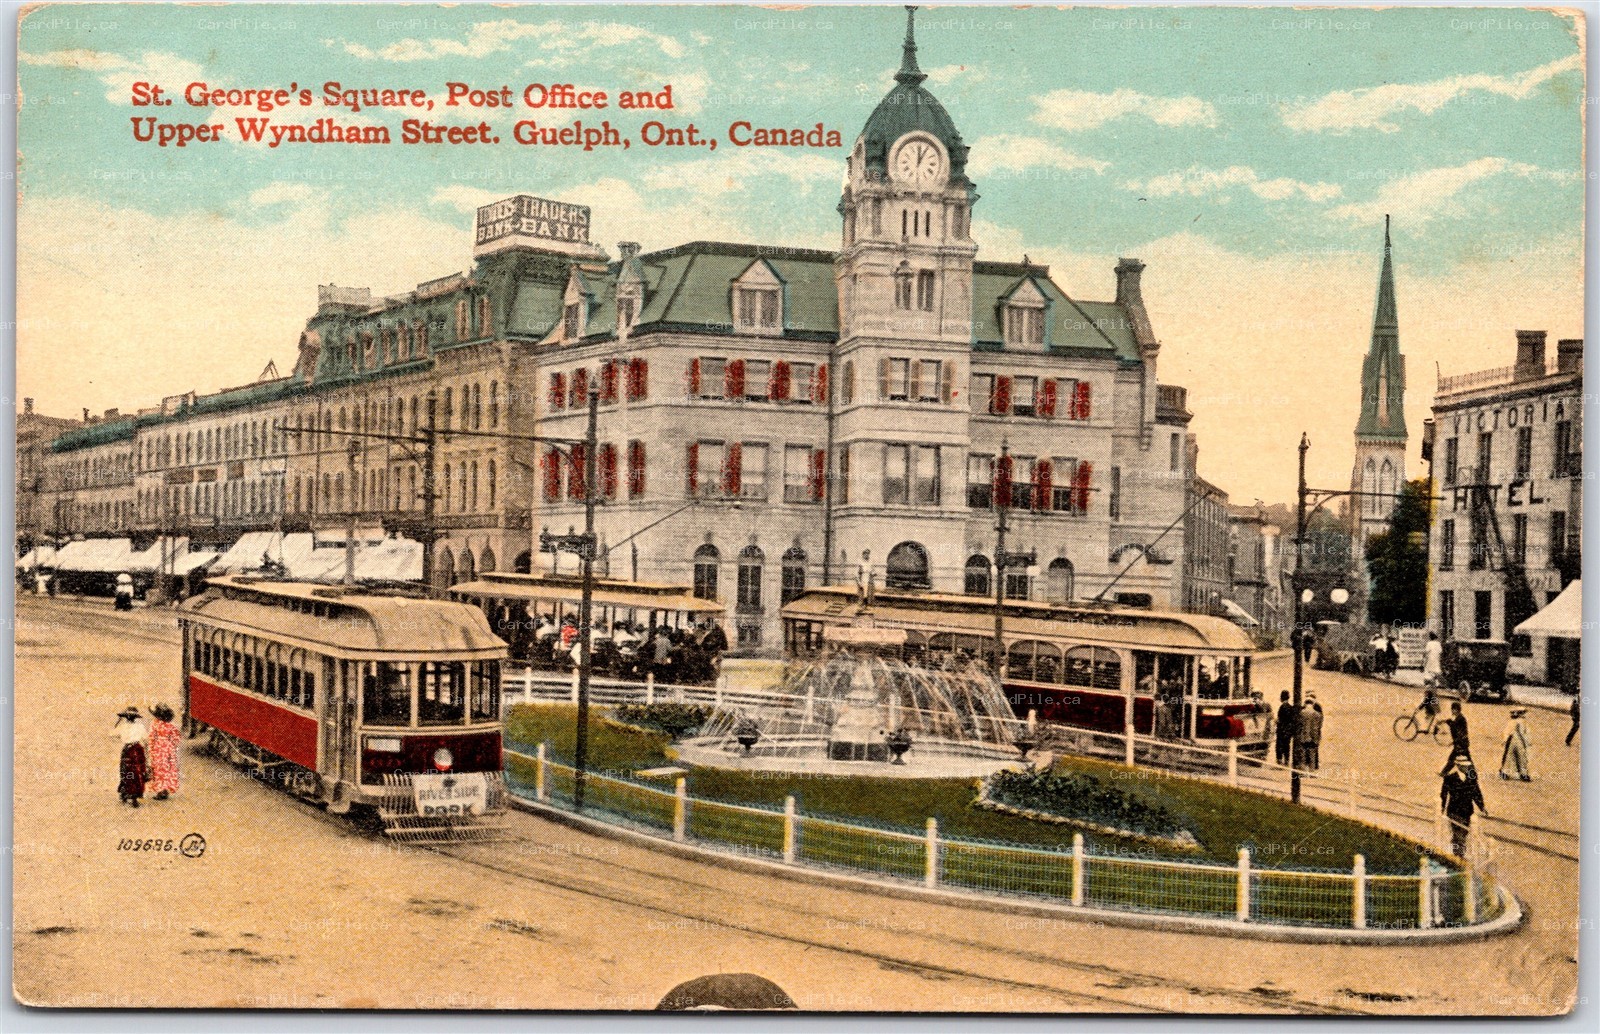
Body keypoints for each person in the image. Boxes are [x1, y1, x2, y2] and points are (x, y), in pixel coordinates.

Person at [1440, 754, 1488, 858]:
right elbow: (1444, 794)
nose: (1467, 768)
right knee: (1458, 834)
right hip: (1454, 811)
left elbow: (1476, 792)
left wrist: (1482, 806)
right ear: (1458, 766)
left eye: (1467, 766)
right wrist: (1443, 808)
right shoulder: (1450, 778)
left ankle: (1457, 853)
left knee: (1464, 834)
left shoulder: (1471, 778)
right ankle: (1459, 856)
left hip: (1467, 811)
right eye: (1464, 766)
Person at [111, 707, 148, 807]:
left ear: (125, 717)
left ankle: (125, 791)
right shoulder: (140, 726)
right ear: (136, 717)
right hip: (137, 749)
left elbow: (111, 734)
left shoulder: (122, 726)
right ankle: (136, 794)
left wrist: (118, 721)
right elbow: (145, 738)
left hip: (127, 750)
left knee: (126, 771)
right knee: (137, 771)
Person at [146, 703, 181, 800]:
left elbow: (151, 738)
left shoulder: (155, 724)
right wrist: (171, 746)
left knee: (158, 769)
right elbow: (176, 738)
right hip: (168, 748)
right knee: (168, 769)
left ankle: (160, 791)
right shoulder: (171, 726)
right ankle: (166, 789)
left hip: (158, 748)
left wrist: (150, 749)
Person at [1500, 707, 1532, 781]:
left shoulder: (1512, 721)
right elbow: (1522, 733)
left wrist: (1504, 740)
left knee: (1510, 756)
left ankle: (1505, 772)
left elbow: (1506, 732)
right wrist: (1527, 742)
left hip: (1511, 740)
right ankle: (1523, 774)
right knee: (1522, 757)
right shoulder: (1521, 722)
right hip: (1518, 740)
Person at [1298, 694, 1323, 771]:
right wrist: (1318, 738)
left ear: (1305, 703)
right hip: (1313, 737)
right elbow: (1318, 727)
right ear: (1312, 704)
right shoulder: (1317, 714)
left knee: (1303, 755)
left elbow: (1299, 725)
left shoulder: (1301, 713)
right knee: (1312, 755)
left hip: (1303, 737)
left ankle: (1303, 771)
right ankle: (1311, 771)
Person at [1275, 691, 1298, 767]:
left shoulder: (1282, 707)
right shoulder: (1291, 707)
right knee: (1287, 746)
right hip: (1288, 730)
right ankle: (1287, 761)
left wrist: (1276, 721)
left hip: (1281, 730)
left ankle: (1279, 761)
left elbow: (1280, 720)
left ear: (1281, 698)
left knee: (1279, 746)